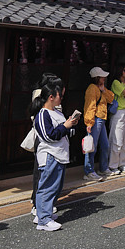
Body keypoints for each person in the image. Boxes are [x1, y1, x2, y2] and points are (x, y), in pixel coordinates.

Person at [32, 80, 79, 231]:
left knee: (56, 187)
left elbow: (63, 132)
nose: (61, 97)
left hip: (60, 154)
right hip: (50, 155)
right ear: (51, 97)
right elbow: (48, 136)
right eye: (59, 94)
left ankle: (44, 215)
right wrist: (65, 126)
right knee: (47, 187)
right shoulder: (42, 114)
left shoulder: (57, 112)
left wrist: (70, 125)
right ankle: (43, 219)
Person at [83, 67, 114, 180]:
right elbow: (89, 106)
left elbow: (111, 99)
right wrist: (89, 123)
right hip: (95, 119)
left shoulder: (100, 88)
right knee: (92, 146)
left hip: (101, 119)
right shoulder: (92, 89)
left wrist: (104, 90)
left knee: (104, 145)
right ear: (97, 78)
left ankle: (103, 168)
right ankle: (89, 171)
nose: (104, 78)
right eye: (102, 76)